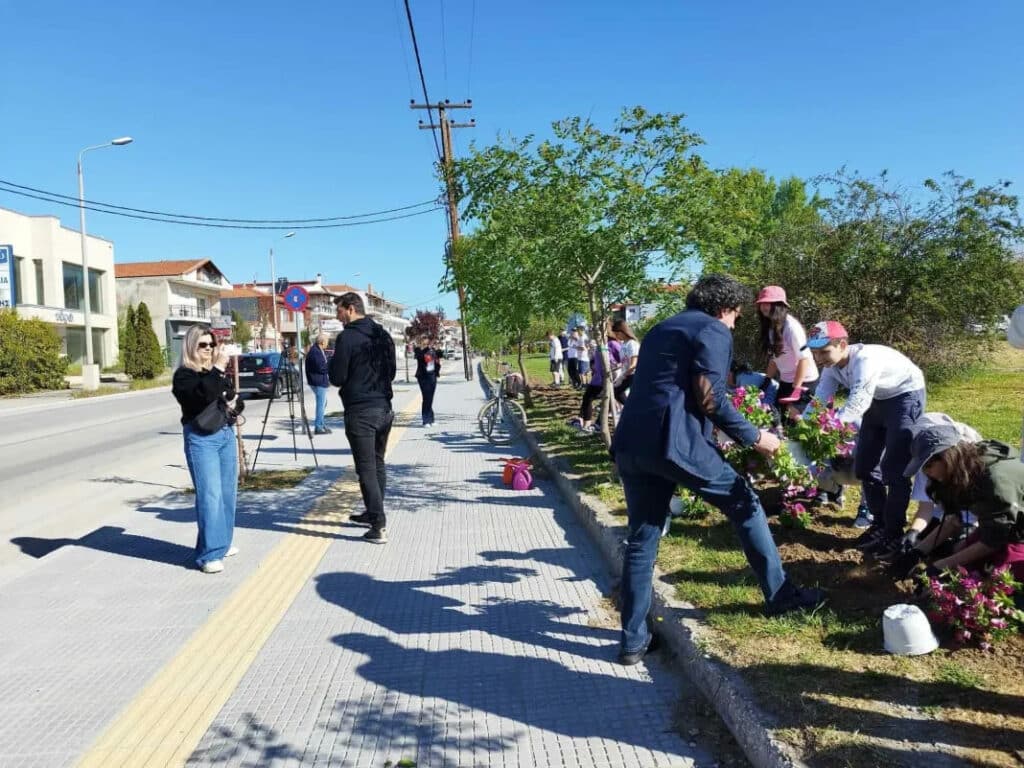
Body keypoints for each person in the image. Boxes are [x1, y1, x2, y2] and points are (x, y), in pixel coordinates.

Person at [611, 274, 825, 665]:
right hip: (673, 446)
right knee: (744, 502)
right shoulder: (712, 329)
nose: (735, 323)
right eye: (736, 316)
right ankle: (781, 596)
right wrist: (755, 437)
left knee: (642, 539)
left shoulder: (662, 327)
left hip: (631, 444)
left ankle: (632, 642)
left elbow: (670, 389)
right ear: (725, 308)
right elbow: (710, 397)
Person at [804, 321, 926, 557]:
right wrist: (805, 429)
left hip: (905, 396)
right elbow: (819, 400)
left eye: (824, 352)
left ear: (842, 344)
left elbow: (857, 404)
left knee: (895, 468)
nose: (819, 359)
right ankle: (878, 525)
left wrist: (829, 428)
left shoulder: (864, 360)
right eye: (815, 353)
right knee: (866, 467)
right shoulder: (831, 367)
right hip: (877, 399)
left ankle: (893, 532)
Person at [891, 424, 1024, 582]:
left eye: (928, 466)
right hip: (1000, 527)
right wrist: (918, 551)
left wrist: (940, 567)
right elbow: (954, 520)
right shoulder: (964, 467)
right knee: (957, 551)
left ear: (947, 456)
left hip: (1017, 534)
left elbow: (991, 541)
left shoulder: (993, 481)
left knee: (998, 581)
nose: (927, 473)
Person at [329, 292, 397, 544]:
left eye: (339, 311)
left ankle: (378, 525)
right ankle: (373, 512)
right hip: (384, 409)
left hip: (360, 411)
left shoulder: (347, 338)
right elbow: (391, 372)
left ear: (350, 309)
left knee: (366, 468)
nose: (337, 316)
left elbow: (336, 377)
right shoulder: (382, 335)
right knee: (377, 464)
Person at [171, 325, 240, 574]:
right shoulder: (184, 376)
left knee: (227, 492)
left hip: (224, 434)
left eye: (211, 345)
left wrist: (233, 401)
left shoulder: (213, 373)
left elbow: (230, 396)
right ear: (191, 347)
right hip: (201, 439)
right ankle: (209, 554)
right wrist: (219, 368)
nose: (209, 350)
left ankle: (222, 543)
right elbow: (201, 397)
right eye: (203, 345)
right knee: (210, 495)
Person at [755, 286, 819, 415]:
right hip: (786, 380)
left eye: (768, 303)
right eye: (762, 303)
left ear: (779, 305)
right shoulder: (771, 327)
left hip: (804, 380)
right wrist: (766, 381)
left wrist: (796, 389)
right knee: (778, 418)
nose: (763, 307)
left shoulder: (791, 327)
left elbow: (804, 359)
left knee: (796, 419)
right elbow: (775, 358)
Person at [576, 325, 620, 433]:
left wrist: (614, 369)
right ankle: (588, 425)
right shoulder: (600, 345)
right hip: (597, 379)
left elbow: (623, 360)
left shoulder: (613, 344)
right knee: (587, 399)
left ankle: (598, 425)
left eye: (596, 332)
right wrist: (593, 367)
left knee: (609, 400)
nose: (593, 334)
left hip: (608, 380)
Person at [305, 332, 332, 435]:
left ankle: (321, 423)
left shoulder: (318, 350)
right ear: (322, 342)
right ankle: (318, 427)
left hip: (319, 381)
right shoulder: (315, 352)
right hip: (317, 382)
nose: (327, 344)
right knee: (321, 404)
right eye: (326, 342)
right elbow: (322, 368)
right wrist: (331, 364)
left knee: (323, 403)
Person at [611, 319, 639, 406]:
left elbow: (633, 365)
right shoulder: (623, 344)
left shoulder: (632, 344)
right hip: (626, 374)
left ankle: (630, 410)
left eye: (617, 333)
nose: (616, 336)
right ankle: (630, 409)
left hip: (633, 375)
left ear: (623, 332)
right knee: (616, 392)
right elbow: (624, 361)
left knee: (616, 392)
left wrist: (622, 377)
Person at [414, 335, 441, 426]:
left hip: (432, 375)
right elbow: (420, 357)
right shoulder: (418, 350)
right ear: (421, 342)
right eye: (424, 342)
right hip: (423, 377)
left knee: (430, 398)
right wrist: (423, 347)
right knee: (426, 397)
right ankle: (426, 420)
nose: (426, 344)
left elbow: (440, 355)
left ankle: (431, 419)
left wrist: (437, 348)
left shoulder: (432, 351)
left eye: (427, 342)